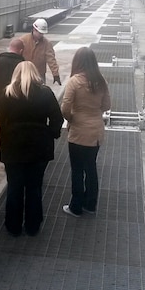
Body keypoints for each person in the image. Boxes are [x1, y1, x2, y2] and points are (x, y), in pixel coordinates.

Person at [0, 61, 63, 236]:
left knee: (14, 187)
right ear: (35, 73)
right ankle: (33, 225)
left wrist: (3, 139)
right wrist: (50, 134)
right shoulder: (45, 93)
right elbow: (57, 119)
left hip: (13, 147)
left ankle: (13, 225)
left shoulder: (7, 93)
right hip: (39, 147)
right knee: (34, 187)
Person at [61, 47, 111, 218]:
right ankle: (91, 204)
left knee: (77, 170)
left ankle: (76, 206)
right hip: (96, 132)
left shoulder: (74, 82)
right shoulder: (101, 80)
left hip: (78, 132)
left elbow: (65, 107)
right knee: (91, 167)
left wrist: (72, 118)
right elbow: (107, 105)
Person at [19, 18, 61, 85]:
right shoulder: (23, 40)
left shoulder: (46, 43)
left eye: (43, 33)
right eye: (40, 33)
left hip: (39, 74)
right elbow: (16, 55)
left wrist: (55, 74)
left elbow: (51, 59)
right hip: (25, 73)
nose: (41, 35)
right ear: (34, 29)